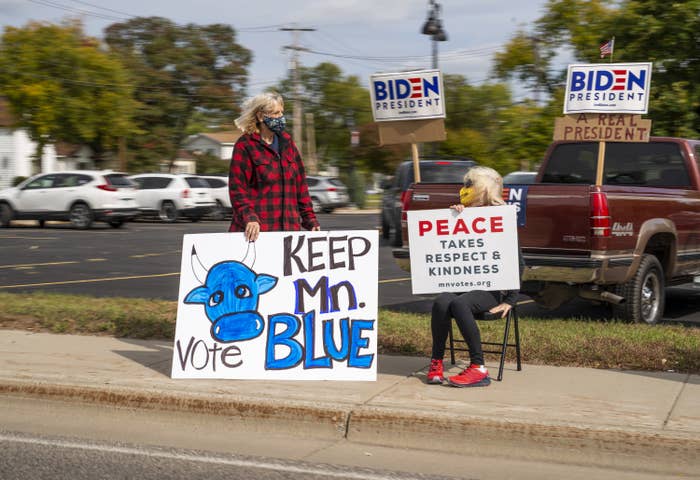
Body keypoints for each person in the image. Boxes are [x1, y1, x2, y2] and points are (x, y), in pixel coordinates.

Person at [426, 166, 523, 388]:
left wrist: (510, 300)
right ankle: (436, 362)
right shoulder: (464, 213)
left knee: (460, 304)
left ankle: (478, 368)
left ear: (484, 189)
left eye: (470, 185)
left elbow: (518, 262)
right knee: (442, 302)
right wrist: (454, 217)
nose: (464, 189)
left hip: (492, 290)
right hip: (465, 283)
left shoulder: (502, 216)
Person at [229, 91, 320, 241]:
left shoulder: (287, 143)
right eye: (276, 113)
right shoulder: (245, 146)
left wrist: (310, 219)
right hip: (257, 234)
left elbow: (301, 186)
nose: (281, 118)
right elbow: (237, 190)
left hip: (289, 231)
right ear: (260, 116)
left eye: (281, 113)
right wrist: (249, 217)